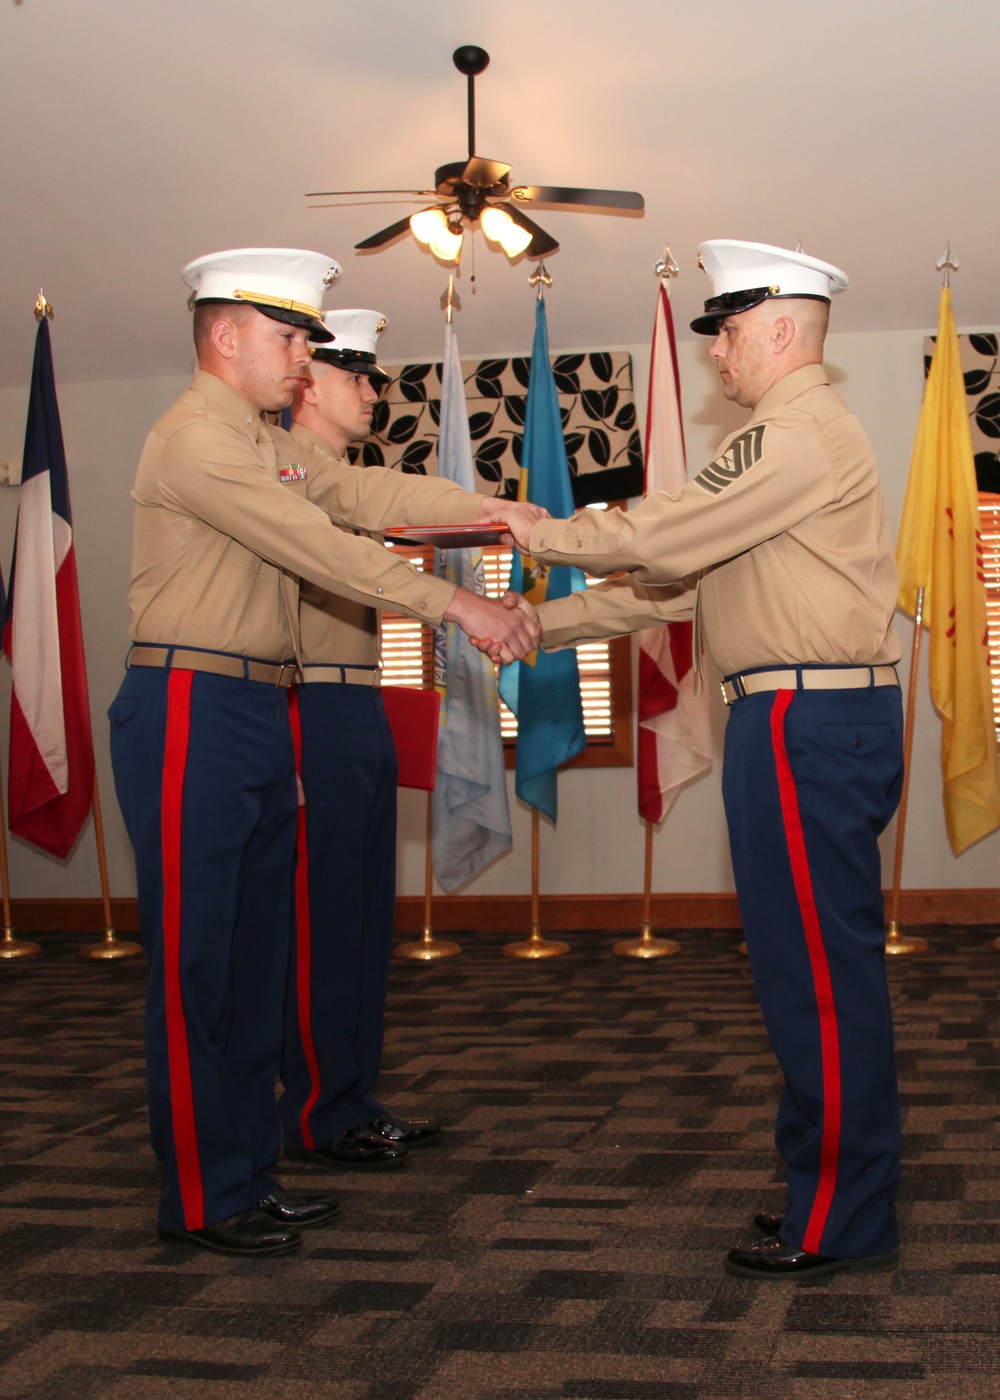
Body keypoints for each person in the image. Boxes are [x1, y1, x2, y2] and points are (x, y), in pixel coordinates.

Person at [109, 248, 543, 1257]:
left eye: (306, 339)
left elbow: (355, 498)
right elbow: (319, 549)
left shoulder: (265, 445)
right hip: (190, 702)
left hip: (258, 706)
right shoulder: (193, 441)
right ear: (225, 337)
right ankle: (202, 1195)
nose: (303, 357)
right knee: (201, 964)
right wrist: (460, 604)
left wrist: (493, 511)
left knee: (259, 960)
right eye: (288, 337)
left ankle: (248, 1174)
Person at [495, 241, 905, 1282]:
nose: (717, 349)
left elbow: (665, 528)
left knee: (817, 976)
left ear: (777, 326)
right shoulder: (784, 445)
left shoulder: (798, 430)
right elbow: (665, 590)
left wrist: (545, 528)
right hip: (794, 722)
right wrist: (534, 626)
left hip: (807, 724)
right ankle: (825, 1192)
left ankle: (842, 1217)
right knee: (798, 973)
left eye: (725, 327)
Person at [279, 309, 442, 1169]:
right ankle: (313, 1108)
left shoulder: (345, 477)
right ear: (307, 383)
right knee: (318, 916)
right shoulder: (281, 475)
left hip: (360, 701)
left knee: (362, 918)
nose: (376, 391)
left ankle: (350, 1093)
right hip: (307, 705)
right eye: (358, 377)